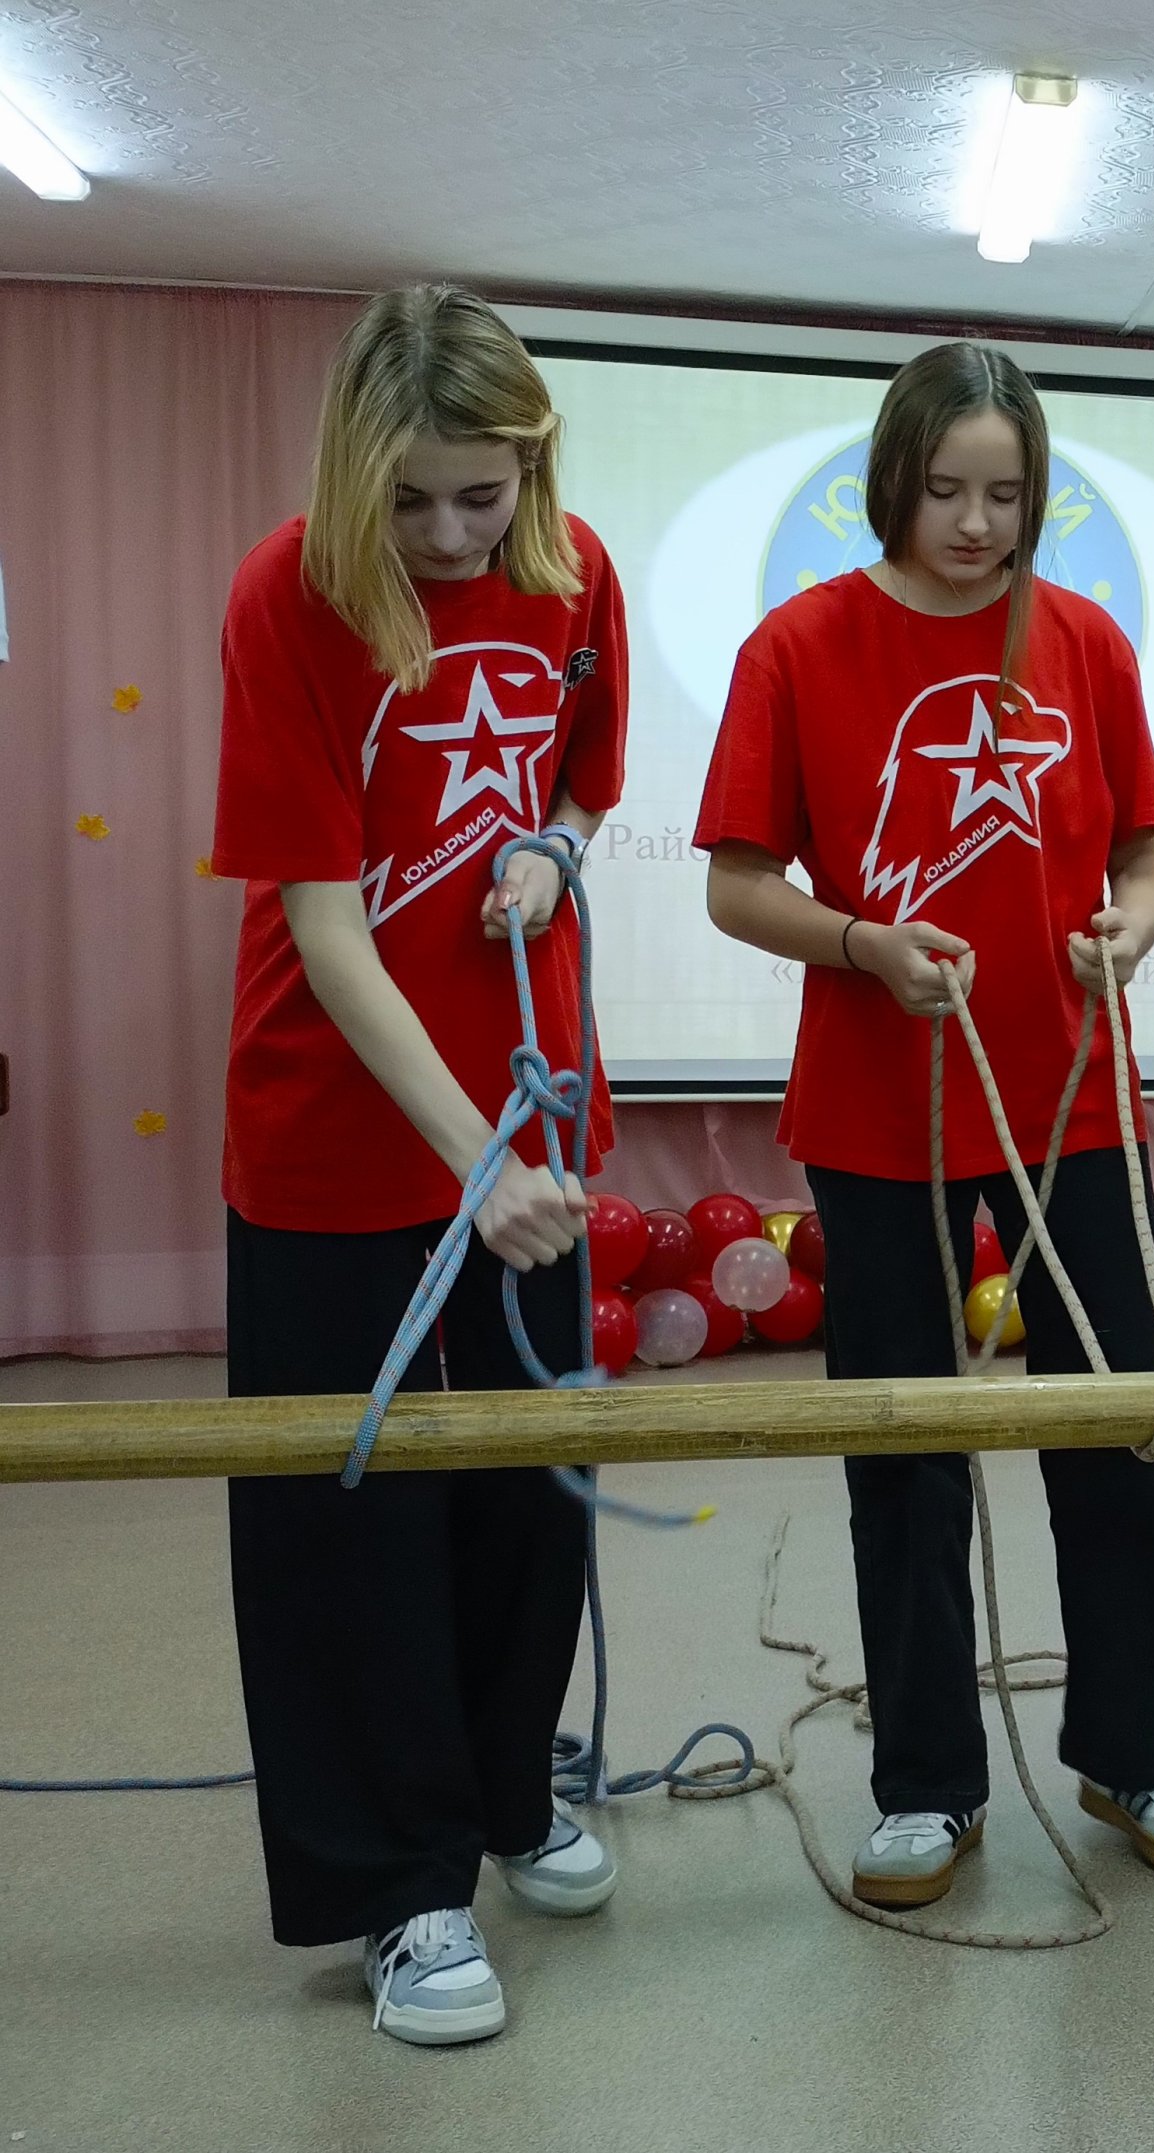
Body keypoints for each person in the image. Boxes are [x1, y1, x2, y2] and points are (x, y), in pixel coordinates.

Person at [699, 341, 1154, 1904]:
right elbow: (737, 885)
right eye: (945, 489)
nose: (977, 523)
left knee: (1122, 1425)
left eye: (1006, 492)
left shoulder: (1086, 645)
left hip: (1074, 1098)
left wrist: (1129, 930)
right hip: (879, 1119)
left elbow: (1150, 855)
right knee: (907, 1453)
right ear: (892, 478)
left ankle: (1139, 1749)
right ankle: (927, 1783)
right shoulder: (798, 647)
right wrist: (865, 944)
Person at [211, 285, 627, 2045]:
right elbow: (322, 923)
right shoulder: (288, 596)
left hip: (529, 1115)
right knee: (350, 1517)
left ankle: (510, 1786)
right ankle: (398, 1884)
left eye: (488, 491)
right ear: (354, 472)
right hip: (343, 1132)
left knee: (530, 1485)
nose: (457, 534)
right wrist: (475, 1160)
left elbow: (586, 781)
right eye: (418, 501)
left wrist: (550, 842)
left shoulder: (575, 568)